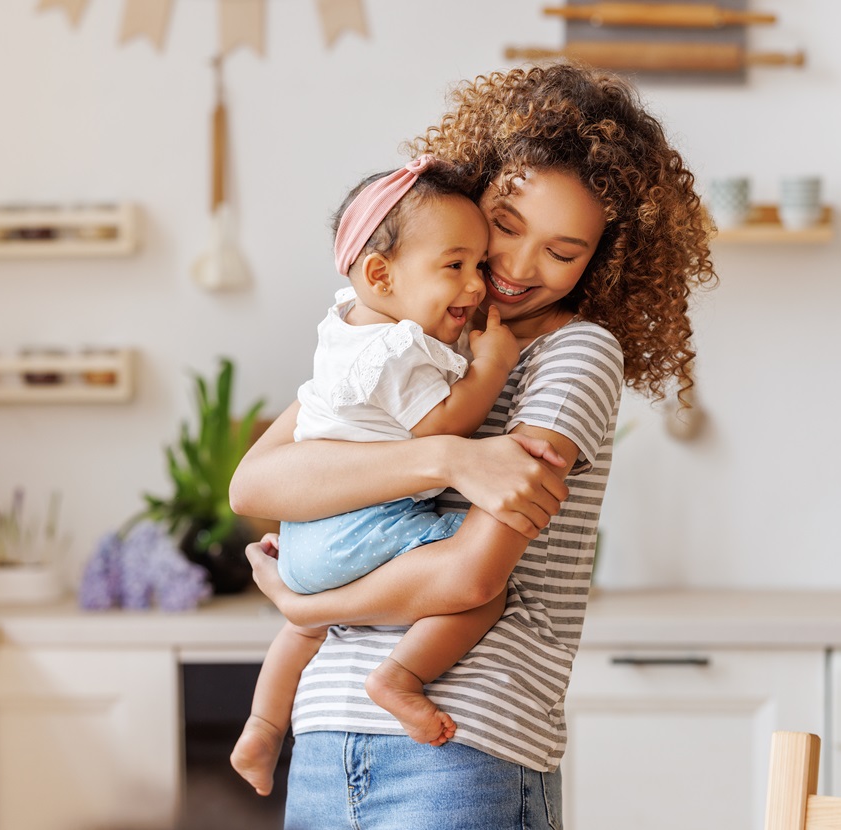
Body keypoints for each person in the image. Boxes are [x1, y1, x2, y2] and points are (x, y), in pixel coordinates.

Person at [230, 61, 716, 829]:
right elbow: (255, 486)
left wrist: (302, 601)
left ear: (604, 260)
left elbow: (468, 577)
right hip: (324, 740)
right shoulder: (405, 339)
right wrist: (449, 457)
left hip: (463, 749)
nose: (519, 269)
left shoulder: (575, 354)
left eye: (563, 252)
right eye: (506, 226)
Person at [230, 156, 522, 796]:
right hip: (361, 527)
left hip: (307, 536)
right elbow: (441, 426)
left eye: (479, 265)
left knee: (304, 625)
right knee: (484, 586)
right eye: (455, 266)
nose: (476, 287)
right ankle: (400, 676)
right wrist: (492, 366)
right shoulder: (397, 348)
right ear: (380, 274)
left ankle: (260, 726)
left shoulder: (346, 331)